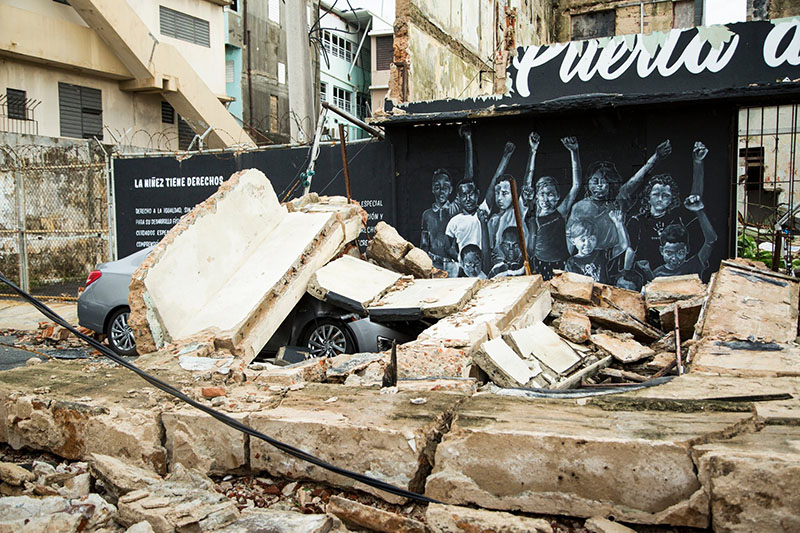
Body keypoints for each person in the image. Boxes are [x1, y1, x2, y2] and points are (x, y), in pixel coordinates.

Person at [568, 139, 672, 252]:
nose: (599, 185)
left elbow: (636, 180)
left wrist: (656, 157)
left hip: (616, 255)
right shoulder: (579, 207)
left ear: (611, 183)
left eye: (604, 181)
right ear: (588, 182)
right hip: (590, 257)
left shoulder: (618, 200)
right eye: (595, 181)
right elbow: (569, 236)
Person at [627, 141, 708, 272]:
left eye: (665, 195)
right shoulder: (637, 221)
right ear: (648, 197)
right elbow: (629, 251)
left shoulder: (677, 218)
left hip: (673, 275)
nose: (660, 199)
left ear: (672, 199)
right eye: (656, 194)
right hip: (645, 278)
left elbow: (695, 198)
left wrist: (698, 163)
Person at [524, 136, 582, 280]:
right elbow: (527, 184)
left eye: (550, 194)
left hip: (560, 263)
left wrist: (574, 152)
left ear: (557, 197)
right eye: (542, 194)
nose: (545, 198)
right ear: (536, 196)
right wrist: (533, 151)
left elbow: (576, 186)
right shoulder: (532, 213)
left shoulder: (560, 212)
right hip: (539, 263)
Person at [652, 194, 717, 278]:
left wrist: (700, 211)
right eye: (669, 253)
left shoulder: (693, 265)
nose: (674, 258)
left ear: (687, 249)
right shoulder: (657, 274)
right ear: (661, 250)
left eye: (680, 253)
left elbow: (711, 240)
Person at [564, 210, 631, 284]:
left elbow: (623, 245)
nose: (587, 244)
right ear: (573, 241)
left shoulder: (601, 254)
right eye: (583, 240)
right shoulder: (572, 262)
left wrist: (619, 223)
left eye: (592, 239)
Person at [445, 179, 491, 275]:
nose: (468, 198)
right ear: (459, 197)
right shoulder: (454, 221)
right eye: (463, 195)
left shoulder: (482, 212)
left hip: (482, 266)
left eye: (471, 194)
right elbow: (447, 247)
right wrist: (461, 259)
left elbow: (493, 185)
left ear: (477, 194)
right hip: (465, 268)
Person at [420, 169, 459, 277]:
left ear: (451, 189)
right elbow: (424, 244)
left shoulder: (455, 211)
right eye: (437, 187)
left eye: (445, 187)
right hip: (434, 263)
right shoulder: (427, 215)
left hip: (452, 264)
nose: (441, 190)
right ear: (432, 189)